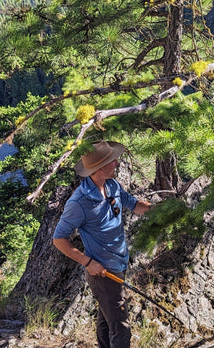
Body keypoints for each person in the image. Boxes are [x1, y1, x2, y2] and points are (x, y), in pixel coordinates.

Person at [53, 140, 151, 348]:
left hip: (118, 267)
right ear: (99, 167)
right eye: (111, 161)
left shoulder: (112, 186)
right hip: (103, 273)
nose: (116, 164)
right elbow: (58, 239)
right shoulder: (79, 203)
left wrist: (161, 209)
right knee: (121, 329)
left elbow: (134, 205)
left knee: (107, 323)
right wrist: (88, 263)